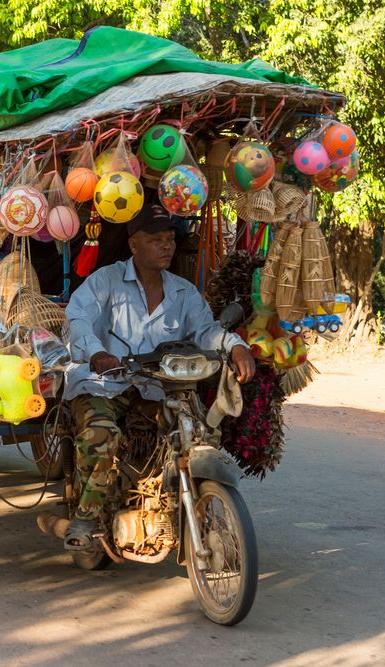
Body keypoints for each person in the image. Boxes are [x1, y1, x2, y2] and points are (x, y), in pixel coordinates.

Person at [62, 202, 256, 550]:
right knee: (101, 435)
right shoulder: (105, 281)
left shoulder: (183, 292)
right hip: (104, 384)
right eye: (156, 240)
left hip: (156, 386)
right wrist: (96, 353)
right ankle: (86, 517)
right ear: (134, 244)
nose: (166, 246)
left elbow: (207, 331)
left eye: (169, 239)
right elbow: (77, 318)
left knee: (199, 433)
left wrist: (235, 346)